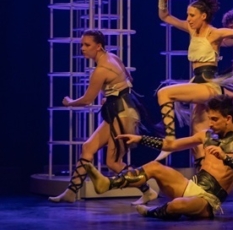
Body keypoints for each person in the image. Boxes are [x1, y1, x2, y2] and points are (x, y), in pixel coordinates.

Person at [84, 94, 233, 219]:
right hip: (190, 186)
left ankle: (153, 212)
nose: (211, 124)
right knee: (154, 166)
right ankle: (107, 184)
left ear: (228, 119)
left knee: (177, 204)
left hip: (207, 201)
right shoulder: (206, 135)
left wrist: (226, 158)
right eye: (209, 119)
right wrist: (141, 138)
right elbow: (172, 145)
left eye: (215, 119)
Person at [49, 30, 157, 206]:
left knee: (113, 162)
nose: (83, 48)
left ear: (98, 46)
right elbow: (128, 79)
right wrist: (113, 94)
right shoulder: (113, 57)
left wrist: (69, 102)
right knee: (88, 147)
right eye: (82, 45)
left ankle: (147, 190)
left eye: (87, 45)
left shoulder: (101, 70)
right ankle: (71, 192)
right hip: (118, 109)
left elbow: (87, 100)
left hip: (122, 113)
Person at [156, 0, 233, 163]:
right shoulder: (192, 30)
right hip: (197, 82)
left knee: (164, 93)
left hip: (208, 84)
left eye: (192, 15)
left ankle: (169, 142)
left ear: (203, 16)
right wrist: (162, 1)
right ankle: (207, 168)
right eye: (187, 15)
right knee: (198, 134)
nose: (188, 19)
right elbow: (165, 17)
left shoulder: (214, 33)